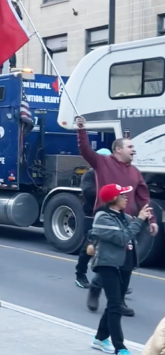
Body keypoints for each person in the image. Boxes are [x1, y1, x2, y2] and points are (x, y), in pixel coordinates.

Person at [77, 116, 157, 315]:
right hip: (107, 219)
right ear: (118, 149)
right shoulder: (102, 162)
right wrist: (81, 130)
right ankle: (96, 289)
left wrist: (152, 220)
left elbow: (143, 198)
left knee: (127, 263)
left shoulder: (136, 173)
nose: (134, 149)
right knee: (109, 262)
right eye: (130, 146)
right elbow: (86, 151)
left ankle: (118, 301)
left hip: (128, 221)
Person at [88, 184, 151, 355]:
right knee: (116, 306)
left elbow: (135, 231)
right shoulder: (103, 217)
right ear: (113, 199)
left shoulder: (123, 216)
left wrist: (147, 221)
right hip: (109, 265)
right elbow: (121, 237)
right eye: (122, 196)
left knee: (112, 305)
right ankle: (120, 347)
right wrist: (138, 220)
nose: (126, 198)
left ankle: (100, 338)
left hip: (124, 265)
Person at [75, 148, 112, 289]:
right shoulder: (90, 175)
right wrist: (108, 193)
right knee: (89, 246)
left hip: (109, 215)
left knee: (111, 248)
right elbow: (88, 192)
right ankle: (80, 274)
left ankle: (115, 280)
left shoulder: (110, 175)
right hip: (92, 215)